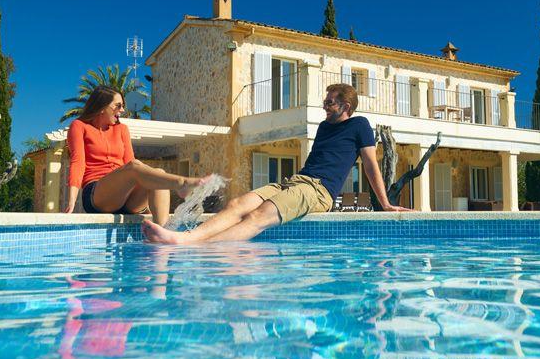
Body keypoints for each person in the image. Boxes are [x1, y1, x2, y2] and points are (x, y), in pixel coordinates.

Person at [142, 83, 412, 244]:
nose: (325, 106)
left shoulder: (359, 125)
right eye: (325, 102)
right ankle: (185, 239)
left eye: (330, 103)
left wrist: (385, 202)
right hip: (296, 181)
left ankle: (191, 247)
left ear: (346, 106)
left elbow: (370, 165)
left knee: (260, 216)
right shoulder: (323, 127)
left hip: (319, 191)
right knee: (238, 204)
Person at [64, 85, 209, 225]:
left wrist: (146, 202)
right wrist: (71, 201)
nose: (122, 110)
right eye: (118, 105)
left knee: (158, 174)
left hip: (126, 200)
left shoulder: (122, 129)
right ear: (102, 106)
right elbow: (78, 162)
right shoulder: (79, 126)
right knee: (135, 167)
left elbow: (130, 162)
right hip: (97, 195)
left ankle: (162, 234)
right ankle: (181, 183)